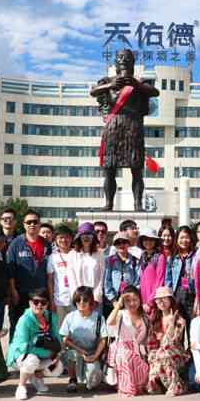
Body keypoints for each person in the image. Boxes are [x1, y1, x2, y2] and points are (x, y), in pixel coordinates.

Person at [91, 48, 159, 212]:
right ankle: (109, 203)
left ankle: (138, 204)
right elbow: (93, 92)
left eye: (127, 57)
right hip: (113, 127)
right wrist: (110, 85)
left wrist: (136, 84)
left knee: (136, 170)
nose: (123, 59)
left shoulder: (140, 83)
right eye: (120, 57)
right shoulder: (108, 81)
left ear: (133, 62)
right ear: (116, 62)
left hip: (133, 127)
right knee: (110, 169)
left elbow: (155, 92)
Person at [7, 288, 62, 400]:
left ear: (47, 304)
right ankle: (21, 386)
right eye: (36, 302)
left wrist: (57, 354)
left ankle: (36, 376)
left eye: (43, 302)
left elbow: (58, 339)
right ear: (30, 303)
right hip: (21, 356)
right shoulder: (24, 320)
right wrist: (48, 353)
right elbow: (23, 347)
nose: (39, 305)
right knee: (32, 360)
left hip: (43, 354)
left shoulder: (51, 317)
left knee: (58, 368)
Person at [7, 211, 51, 342]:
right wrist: (13, 291)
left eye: (35, 222)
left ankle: (34, 352)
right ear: (24, 225)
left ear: (39, 224)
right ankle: (15, 353)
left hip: (40, 295)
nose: (32, 224)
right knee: (17, 326)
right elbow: (11, 270)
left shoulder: (47, 244)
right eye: (29, 222)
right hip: (20, 293)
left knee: (38, 328)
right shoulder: (15, 243)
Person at [61, 286, 108, 393]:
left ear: (91, 301)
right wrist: (80, 351)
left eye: (85, 300)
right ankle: (72, 380)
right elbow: (65, 339)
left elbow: (103, 340)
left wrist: (95, 356)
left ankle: (94, 375)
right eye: (78, 300)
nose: (81, 303)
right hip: (76, 351)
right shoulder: (70, 317)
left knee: (92, 384)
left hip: (92, 353)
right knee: (71, 354)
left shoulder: (99, 318)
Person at [106, 286, 150, 396]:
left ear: (140, 299)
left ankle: (139, 385)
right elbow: (109, 322)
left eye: (135, 300)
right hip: (122, 348)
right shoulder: (121, 314)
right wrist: (118, 304)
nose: (132, 303)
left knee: (142, 363)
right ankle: (128, 387)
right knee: (128, 357)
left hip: (139, 349)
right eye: (128, 301)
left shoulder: (144, 316)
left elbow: (146, 338)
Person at [146, 286, 189, 395]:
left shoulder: (179, 320)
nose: (161, 302)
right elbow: (151, 343)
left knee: (162, 354)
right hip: (160, 353)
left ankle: (176, 385)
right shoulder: (155, 319)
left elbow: (173, 342)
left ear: (171, 300)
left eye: (164, 298)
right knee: (153, 355)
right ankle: (163, 384)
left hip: (177, 353)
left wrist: (171, 326)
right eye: (158, 299)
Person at [67, 222, 105, 308]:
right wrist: (77, 297)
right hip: (78, 297)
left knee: (96, 317)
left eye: (89, 235)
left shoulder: (100, 254)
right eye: (83, 235)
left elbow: (101, 278)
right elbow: (71, 278)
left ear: (93, 238)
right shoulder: (72, 254)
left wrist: (96, 298)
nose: (86, 238)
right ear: (79, 237)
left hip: (95, 298)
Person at [103, 230, 140, 315]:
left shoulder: (135, 260)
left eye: (124, 242)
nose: (121, 245)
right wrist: (113, 300)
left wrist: (131, 298)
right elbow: (107, 282)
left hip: (130, 301)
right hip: (113, 302)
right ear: (115, 245)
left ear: (128, 244)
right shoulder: (110, 260)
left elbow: (138, 281)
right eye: (118, 243)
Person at [166, 225, 197, 317]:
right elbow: (168, 279)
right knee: (178, 321)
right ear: (177, 239)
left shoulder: (195, 256)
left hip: (191, 292)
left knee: (191, 321)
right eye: (181, 237)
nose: (184, 240)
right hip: (176, 293)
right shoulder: (172, 257)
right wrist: (169, 295)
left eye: (187, 237)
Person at [47, 228, 73, 326]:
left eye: (67, 237)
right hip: (59, 300)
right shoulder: (53, 257)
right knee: (60, 330)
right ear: (56, 240)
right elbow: (50, 280)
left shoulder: (77, 254)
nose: (64, 240)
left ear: (71, 239)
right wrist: (51, 301)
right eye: (61, 237)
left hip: (76, 300)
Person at [138, 227, 165, 305]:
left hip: (154, 299)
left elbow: (160, 280)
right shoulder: (142, 256)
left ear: (155, 241)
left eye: (151, 239)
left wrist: (151, 301)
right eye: (145, 239)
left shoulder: (160, 257)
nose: (148, 242)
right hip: (142, 298)